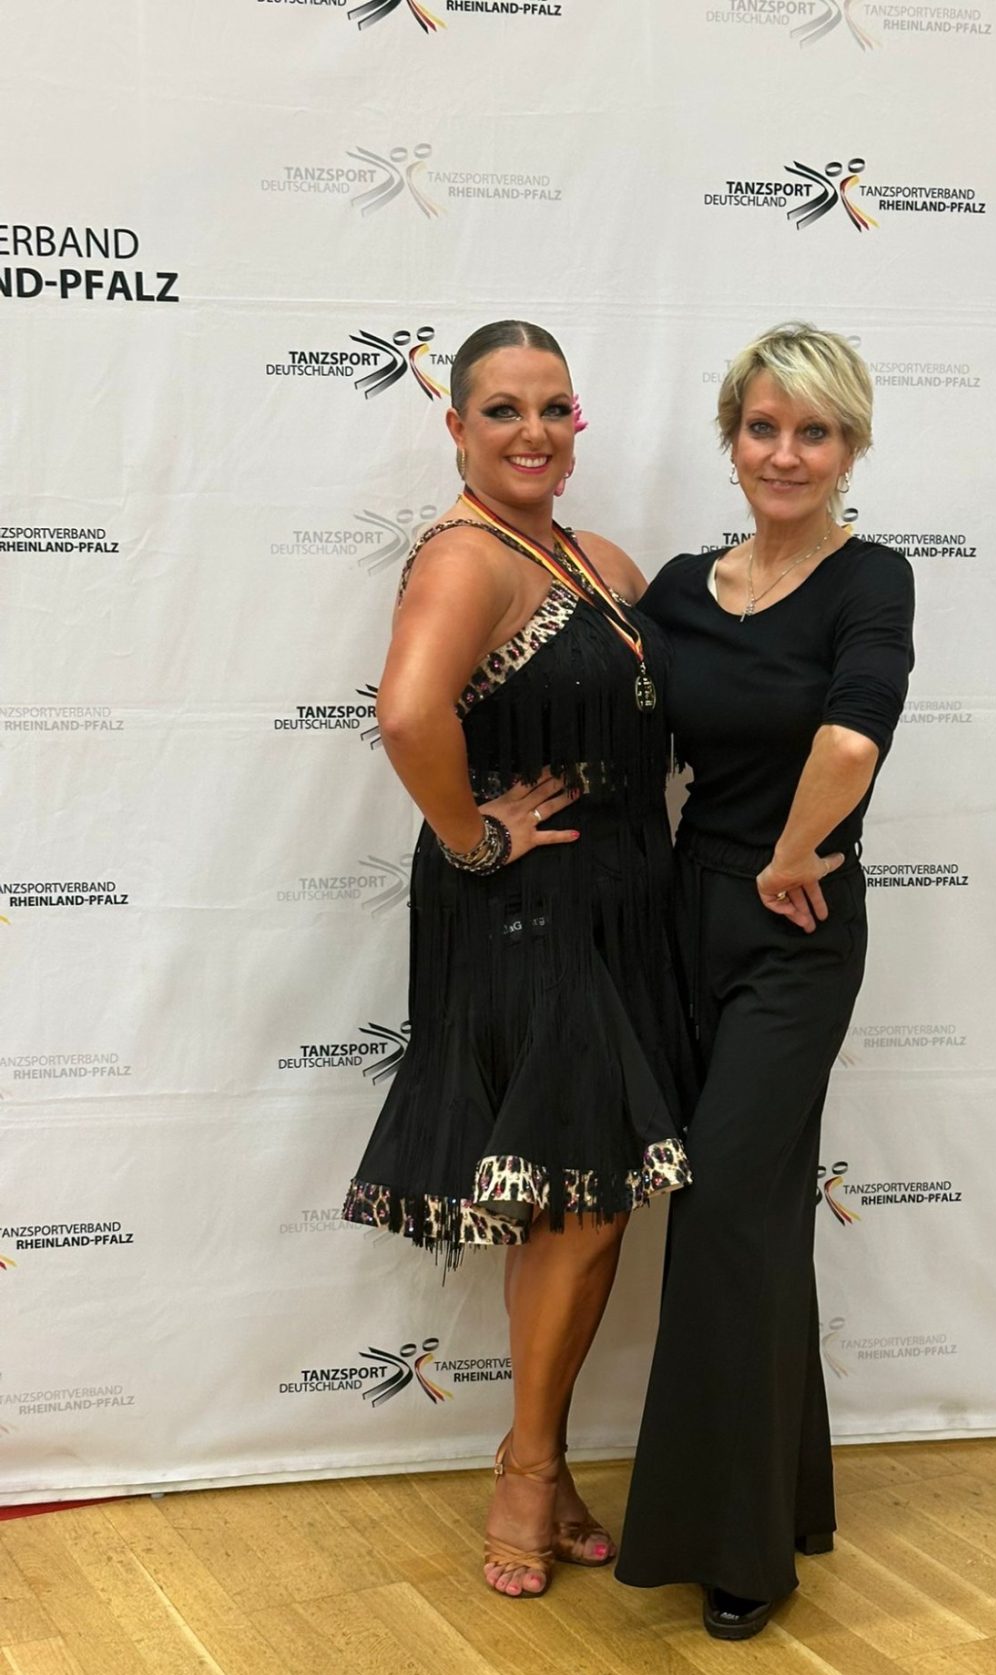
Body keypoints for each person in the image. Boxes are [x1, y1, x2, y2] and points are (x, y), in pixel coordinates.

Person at [342, 320, 693, 1599]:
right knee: (580, 1205)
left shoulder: (597, 559)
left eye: (554, 407)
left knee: (575, 1201)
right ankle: (527, 1470)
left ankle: (542, 1459)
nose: (533, 431)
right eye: (502, 409)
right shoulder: (465, 555)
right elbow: (406, 712)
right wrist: (473, 837)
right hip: (526, 913)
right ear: (456, 427)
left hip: (625, 907)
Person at [615, 323, 914, 1638]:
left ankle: (730, 1547)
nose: (785, 454)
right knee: (758, 1211)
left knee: (727, 1206)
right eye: (763, 428)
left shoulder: (871, 577)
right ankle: (783, 1499)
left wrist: (792, 856)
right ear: (730, 438)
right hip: (684, 918)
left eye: (814, 432)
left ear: (849, 446)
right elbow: (618, 720)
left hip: (798, 925)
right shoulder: (683, 588)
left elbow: (850, 739)